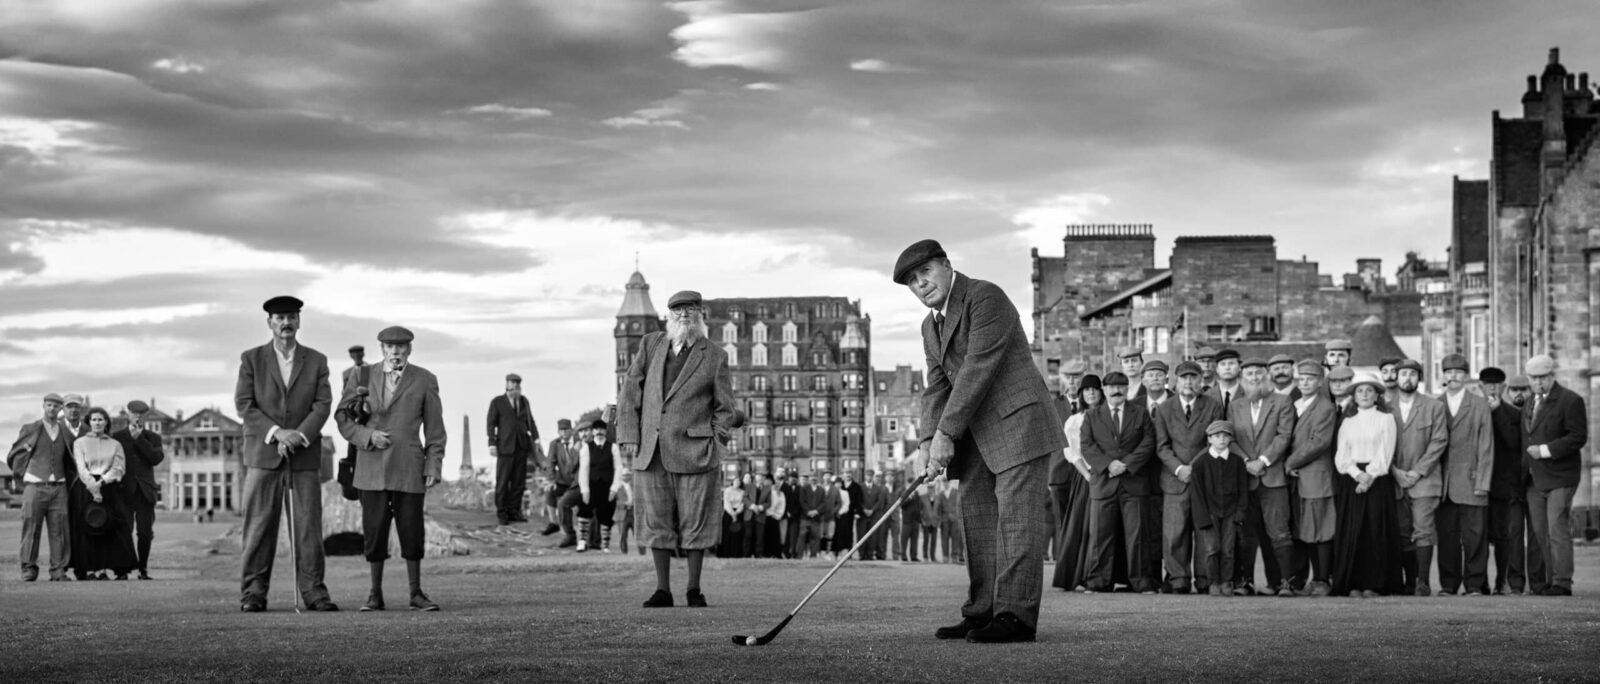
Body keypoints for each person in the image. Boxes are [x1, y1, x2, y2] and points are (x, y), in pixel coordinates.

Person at [897, 239, 1063, 644]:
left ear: (947, 266)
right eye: (912, 282)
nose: (921, 284)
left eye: (926, 273)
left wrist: (946, 434)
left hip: (1018, 424)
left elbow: (976, 369)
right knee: (977, 521)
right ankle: (981, 611)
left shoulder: (985, 297)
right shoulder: (929, 326)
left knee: (1017, 523)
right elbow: (936, 385)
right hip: (975, 437)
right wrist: (925, 440)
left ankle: (1015, 618)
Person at [616, 289, 737, 608]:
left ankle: (694, 589)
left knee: (696, 522)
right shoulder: (650, 344)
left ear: (701, 316)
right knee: (656, 522)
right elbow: (630, 391)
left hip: (696, 453)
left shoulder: (714, 355)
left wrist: (716, 439)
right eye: (678, 309)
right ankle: (662, 590)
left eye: (691, 309)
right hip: (651, 450)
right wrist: (629, 433)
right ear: (669, 316)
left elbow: (726, 407)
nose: (684, 314)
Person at [234, 295, 337, 613]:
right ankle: (253, 592)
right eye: (279, 318)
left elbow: (322, 405)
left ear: (299, 321)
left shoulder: (317, 361)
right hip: (263, 455)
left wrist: (298, 436)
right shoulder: (251, 359)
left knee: (308, 527)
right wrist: (277, 433)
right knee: (259, 526)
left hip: (304, 456)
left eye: (291, 317)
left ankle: (314, 592)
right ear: (270, 323)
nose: (286, 323)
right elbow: (245, 404)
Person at [336, 325, 446, 612]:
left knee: (412, 530)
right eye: (389, 347)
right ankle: (374, 595)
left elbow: (435, 429)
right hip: (370, 468)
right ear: (382, 349)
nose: (395, 352)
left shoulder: (425, 379)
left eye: (401, 347)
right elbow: (343, 418)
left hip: (409, 468)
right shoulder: (360, 376)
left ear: (409, 349)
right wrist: (367, 436)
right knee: (374, 532)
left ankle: (416, 593)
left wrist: (433, 464)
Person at [1152, 361, 1226, 594]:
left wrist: (1193, 468)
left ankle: (1204, 579)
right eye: (1184, 378)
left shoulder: (1213, 406)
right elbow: (1162, 446)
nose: (1188, 382)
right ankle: (1178, 579)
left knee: (1204, 532)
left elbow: (1213, 441)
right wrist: (1179, 469)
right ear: (1175, 380)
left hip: (1204, 479)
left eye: (1193, 377)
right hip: (1174, 480)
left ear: (1200, 380)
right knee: (1174, 533)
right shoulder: (1164, 409)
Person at [1081, 371, 1157, 594]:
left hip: (1133, 482)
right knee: (1100, 536)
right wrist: (1108, 465)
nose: (1117, 390)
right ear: (1104, 390)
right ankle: (1097, 582)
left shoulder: (1141, 414)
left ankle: (1142, 582)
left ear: (1127, 388)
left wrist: (1125, 464)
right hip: (1104, 483)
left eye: (1121, 386)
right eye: (1112, 387)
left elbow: (1148, 442)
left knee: (1138, 536)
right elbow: (1086, 446)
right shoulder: (1092, 416)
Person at [1521, 354, 1589, 597]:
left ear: (1552, 376)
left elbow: (1578, 437)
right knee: (1540, 533)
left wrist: (1546, 450)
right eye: (1533, 378)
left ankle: (1562, 582)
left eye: (1542, 377)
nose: (1537, 382)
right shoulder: (1529, 403)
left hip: (1561, 476)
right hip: (1534, 478)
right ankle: (1549, 582)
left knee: (1556, 529)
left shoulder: (1571, 401)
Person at [1330, 371, 1403, 597]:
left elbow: (1386, 452)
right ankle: (1353, 584)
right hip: (1352, 483)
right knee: (1353, 533)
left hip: (1378, 483)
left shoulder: (1386, 419)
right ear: (1354, 395)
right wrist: (1356, 475)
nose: (1364, 394)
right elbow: (1341, 455)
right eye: (1360, 390)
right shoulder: (1347, 422)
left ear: (1376, 395)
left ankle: (1375, 584)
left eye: (1369, 390)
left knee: (1374, 532)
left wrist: (1369, 476)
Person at [1226, 357, 1295, 596]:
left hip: (1272, 476)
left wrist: (1263, 461)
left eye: (1258, 374)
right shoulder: (1236, 406)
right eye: (1249, 375)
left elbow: (1284, 436)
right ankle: (1246, 582)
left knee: (1279, 531)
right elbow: (1231, 439)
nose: (1254, 378)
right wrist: (1246, 462)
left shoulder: (1282, 401)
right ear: (1242, 380)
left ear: (1266, 376)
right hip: (1246, 479)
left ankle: (1285, 583)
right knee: (1246, 534)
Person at [1435, 354, 1494, 596]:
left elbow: (1486, 445)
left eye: (1458, 372)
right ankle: (1448, 585)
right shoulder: (1436, 404)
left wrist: (1483, 481)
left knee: (1475, 538)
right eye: (1449, 372)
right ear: (1444, 375)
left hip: (1472, 481)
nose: (1453, 376)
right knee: (1447, 538)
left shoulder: (1479, 404)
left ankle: (1474, 584)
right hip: (1443, 485)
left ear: (1466, 375)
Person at [1390, 358, 1449, 596]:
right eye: (1403, 374)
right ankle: (1409, 581)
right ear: (1396, 377)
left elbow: (1439, 441)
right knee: (1403, 531)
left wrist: (1417, 471)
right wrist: (1394, 471)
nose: (1407, 378)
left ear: (1419, 378)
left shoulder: (1433, 406)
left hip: (1425, 479)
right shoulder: (1385, 406)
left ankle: (1423, 582)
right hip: (1395, 479)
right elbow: (1381, 444)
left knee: (1423, 529)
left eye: (1412, 374)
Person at [8, 394, 76, 582]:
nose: (52, 409)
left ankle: (58, 571)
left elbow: (71, 459)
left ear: (60, 409)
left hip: (59, 487)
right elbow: (15, 454)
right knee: (31, 529)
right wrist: (20, 478)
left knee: (60, 530)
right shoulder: (31, 428)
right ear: (43, 406)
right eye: (49, 405)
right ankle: (28, 569)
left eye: (56, 406)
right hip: (35, 486)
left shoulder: (65, 431)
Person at [1283, 360, 1337, 596]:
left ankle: (1323, 579)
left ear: (1320, 381)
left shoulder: (1324, 407)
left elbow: (1318, 442)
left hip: (1316, 475)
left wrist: (1290, 461)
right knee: (1306, 529)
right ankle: (1312, 580)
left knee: (1321, 528)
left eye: (1310, 378)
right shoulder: (1295, 404)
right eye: (1301, 378)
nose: (1304, 382)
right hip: (1298, 478)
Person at [68, 406, 138, 580]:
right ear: (89, 422)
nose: (97, 423)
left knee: (113, 527)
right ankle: (90, 569)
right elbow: (81, 467)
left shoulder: (115, 444)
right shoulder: (80, 443)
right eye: (94, 419)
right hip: (85, 488)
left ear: (106, 422)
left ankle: (112, 569)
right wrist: (93, 486)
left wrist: (102, 482)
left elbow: (119, 468)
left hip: (110, 487)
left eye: (101, 419)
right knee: (88, 527)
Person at [1051, 374, 1100, 592]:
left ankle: (1098, 574)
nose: (1091, 393)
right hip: (1086, 476)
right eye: (1087, 390)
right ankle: (1076, 574)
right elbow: (1071, 452)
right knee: (1081, 525)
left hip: (1106, 474)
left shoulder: (1107, 416)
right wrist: (1088, 475)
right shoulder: (1075, 420)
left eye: (1095, 389)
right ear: (1081, 394)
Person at [1482, 369, 1529, 595]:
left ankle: (1503, 581)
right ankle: (1479, 583)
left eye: (1497, 385)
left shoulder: (1512, 413)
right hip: (1479, 483)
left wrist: (1497, 411)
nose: (1492, 389)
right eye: (1488, 385)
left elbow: (1512, 441)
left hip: (1504, 485)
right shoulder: (1474, 409)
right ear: (1481, 386)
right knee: (1478, 538)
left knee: (1504, 536)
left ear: (1503, 388)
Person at [1190, 420, 1249, 597]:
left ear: (1231, 439)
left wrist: (1240, 512)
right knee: (1211, 549)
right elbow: (1197, 494)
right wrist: (1203, 517)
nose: (1221, 440)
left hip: (1230, 512)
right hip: (1210, 513)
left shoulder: (1237, 462)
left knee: (1228, 549)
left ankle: (1226, 581)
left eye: (1225, 436)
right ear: (1209, 439)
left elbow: (1243, 489)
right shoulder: (1200, 463)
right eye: (1217, 436)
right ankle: (1213, 582)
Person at [112, 399, 165, 580]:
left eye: (141, 415)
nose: (137, 417)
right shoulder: (117, 437)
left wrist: (139, 439)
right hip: (124, 491)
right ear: (128, 415)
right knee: (124, 530)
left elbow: (156, 459)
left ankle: (143, 569)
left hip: (145, 492)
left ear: (146, 417)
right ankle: (123, 570)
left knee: (145, 533)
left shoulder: (153, 437)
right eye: (134, 414)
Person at [487, 373, 540, 526]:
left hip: (521, 446)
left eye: (517, 386)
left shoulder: (524, 402)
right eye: (512, 385)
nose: (515, 388)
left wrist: (536, 439)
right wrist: (491, 443)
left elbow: (531, 421)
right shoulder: (497, 402)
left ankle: (514, 511)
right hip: (504, 447)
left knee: (518, 482)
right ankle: (502, 513)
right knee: (503, 481)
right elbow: (491, 423)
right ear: (507, 386)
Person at [575, 419, 623, 553]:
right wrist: (584, 490)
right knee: (584, 511)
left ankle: (605, 545)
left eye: (602, 429)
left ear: (605, 431)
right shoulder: (586, 448)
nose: (599, 432)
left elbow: (618, 468)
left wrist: (614, 488)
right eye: (596, 429)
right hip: (591, 485)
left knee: (606, 514)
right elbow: (583, 470)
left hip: (607, 486)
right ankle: (582, 541)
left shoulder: (613, 447)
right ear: (593, 432)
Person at [542, 419, 579, 538]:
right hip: (562, 481)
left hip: (578, 482)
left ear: (571, 431)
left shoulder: (580, 442)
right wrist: (551, 480)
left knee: (568, 503)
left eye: (566, 430)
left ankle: (581, 530)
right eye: (561, 431)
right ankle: (553, 523)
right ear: (558, 432)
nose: (564, 433)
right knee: (550, 491)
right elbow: (550, 463)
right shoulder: (555, 444)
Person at [861, 471, 891, 561]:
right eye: (876, 477)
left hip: (880, 515)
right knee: (869, 535)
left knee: (880, 536)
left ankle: (880, 554)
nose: (878, 479)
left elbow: (887, 502)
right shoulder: (869, 487)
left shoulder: (884, 489)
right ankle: (867, 553)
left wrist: (883, 512)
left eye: (879, 477)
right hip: (870, 514)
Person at [797, 473, 824, 558]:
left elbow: (823, 503)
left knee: (815, 537)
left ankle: (813, 555)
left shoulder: (821, 490)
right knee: (802, 536)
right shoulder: (804, 489)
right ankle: (799, 555)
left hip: (816, 518)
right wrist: (808, 511)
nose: (813, 478)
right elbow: (802, 501)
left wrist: (816, 511)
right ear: (809, 478)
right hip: (805, 517)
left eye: (815, 477)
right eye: (812, 477)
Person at [901, 474, 924, 562]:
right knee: (904, 539)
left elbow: (918, 507)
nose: (912, 485)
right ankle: (903, 555)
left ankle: (913, 556)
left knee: (914, 540)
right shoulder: (904, 492)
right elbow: (902, 505)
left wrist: (920, 520)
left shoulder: (917, 494)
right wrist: (908, 498)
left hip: (915, 521)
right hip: (907, 521)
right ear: (907, 484)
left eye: (913, 484)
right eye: (910, 483)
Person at [940, 480, 964, 565]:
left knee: (955, 538)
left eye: (946, 482)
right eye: (944, 483)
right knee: (944, 539)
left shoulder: (955, 491)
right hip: (944, 519)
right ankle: (945, 557)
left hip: (954, 519)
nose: (945, 484)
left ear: (949, 483)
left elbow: (959, 504)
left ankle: (954, 556)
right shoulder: (941, 493)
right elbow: (939, 507)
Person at [720, 475, 745, 557]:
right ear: (733, 482)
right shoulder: (727, 490)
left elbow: (742, 504)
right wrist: (732, 514)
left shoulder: (742, 492)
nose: (737, 482)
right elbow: (726, 503)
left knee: (737, 535)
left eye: (739, 481)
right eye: (736, 481)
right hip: (728, 513)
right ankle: (725, 553)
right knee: (727, 534)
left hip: (738, 513)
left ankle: (736, 553)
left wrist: (737, 513)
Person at [919, 481, 942, 562]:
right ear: (927, 489)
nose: (930, 490)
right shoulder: (922, 497)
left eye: (932, 488)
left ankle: (933, 557)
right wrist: (922, 521)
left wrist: (938, 520)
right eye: (929, 488)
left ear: (934, 489)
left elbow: (939, 511)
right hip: (926, 522)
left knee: (934, 541)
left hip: (934, 522)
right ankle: (925, 557)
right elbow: (920, 511)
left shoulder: (938, 498)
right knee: (926, 540)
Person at [616, 470, 637, 555]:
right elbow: (615, 502)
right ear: (621, 476)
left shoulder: (634, 486)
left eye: (628, 475)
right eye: (625, 475)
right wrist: (624, 503)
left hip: (633, 512)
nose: (627, 477)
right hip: (623, 514)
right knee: (623, 535)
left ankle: (642, 551)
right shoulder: (618, 488)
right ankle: (624, 551)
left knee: (638, 533)